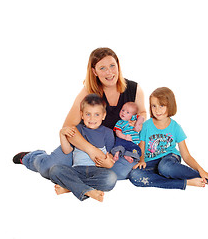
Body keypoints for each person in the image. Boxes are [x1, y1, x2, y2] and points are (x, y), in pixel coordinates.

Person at [13, 47, 146, 181]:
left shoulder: (135, 89)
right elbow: (68, 126)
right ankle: (32, 157)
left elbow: (143, 113)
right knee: (49, 167)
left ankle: (74, 175)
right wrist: (92, 151)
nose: (109, 72)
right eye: (102, 68)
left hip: (115, 146)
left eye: (112, 66)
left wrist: (139, 122)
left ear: (118, 65)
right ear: (94, 71)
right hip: (84, 141)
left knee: (120, 173)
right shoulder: (88, 92)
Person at [129, 87, 208, 189]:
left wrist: (202, 170)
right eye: (154, 106)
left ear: (170, 106)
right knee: (134, 175)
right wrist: (141, 160)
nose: (157, 110)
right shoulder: (146, 126)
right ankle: (185, 182)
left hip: (169, 160)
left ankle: (204, 179)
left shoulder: (175, 127)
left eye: (161, 105)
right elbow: (141, 147)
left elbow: (186, 156)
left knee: (164, 168)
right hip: (151, 162)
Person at [49, 94, 117, 202]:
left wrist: (109, 163)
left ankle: (69, 187)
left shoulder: (108, 133)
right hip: (77, 170)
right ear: (82, 115)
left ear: (103, 115)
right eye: (88, 114)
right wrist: (62, 134)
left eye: (97, 114)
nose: (92, 118)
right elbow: (67, 150)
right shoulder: (77, 130)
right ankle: (88, 191)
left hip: (97, 171)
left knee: (111, 178)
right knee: (54, 170)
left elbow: (109, 156)